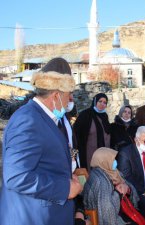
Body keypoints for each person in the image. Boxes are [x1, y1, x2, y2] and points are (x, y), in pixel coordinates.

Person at [0, 58, 83, 225]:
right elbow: (17, 175)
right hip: (32, 217)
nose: (70, 100)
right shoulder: (28, 121)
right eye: (69, 95)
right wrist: (65, 188)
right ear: (56, 96)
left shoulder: (44, 119)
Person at [83, 147, 140, 225]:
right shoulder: (100, 181)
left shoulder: (111, 171)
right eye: (112, 160)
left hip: (122, 210)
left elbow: (127, 185)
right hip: (109, 219)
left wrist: (127, 189)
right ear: (104, 161)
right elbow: (107, 214)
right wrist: (118, 193)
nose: (115, 162)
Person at [73, 93, 110, 171]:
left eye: (105, 102)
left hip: (103, 154)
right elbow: (76, 133)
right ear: (95, 101)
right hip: (89, 153)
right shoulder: (85, 115)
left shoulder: (104, 116)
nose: (102, 104)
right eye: (100, 101)